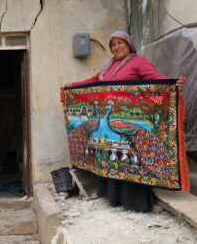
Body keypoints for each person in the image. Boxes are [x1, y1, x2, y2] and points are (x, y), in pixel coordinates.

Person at [64, 31, 185, 212]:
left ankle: (134, 202)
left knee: (130, 158)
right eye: (113, 44)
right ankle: (114, 197)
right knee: (113, 156)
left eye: (120, 43)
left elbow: (154, 78)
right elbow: (95, 81)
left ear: (129, 44)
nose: (116, 47)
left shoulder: (139, 62)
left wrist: (173, 83)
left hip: (124, 121)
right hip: (112, 122)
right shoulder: (109, 66)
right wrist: (73, 86)